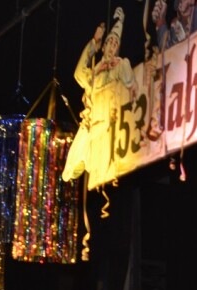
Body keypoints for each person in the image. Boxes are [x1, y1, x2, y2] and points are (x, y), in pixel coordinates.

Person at [62, 7, 136, 183]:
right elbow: (79, 74)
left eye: (115, 44)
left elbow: (129, 80)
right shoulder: (95, 73)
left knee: (101, 169)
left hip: (107, 125)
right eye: (109, 42)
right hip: (90, 124)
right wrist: (94, 42)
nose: (111, 46)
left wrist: (122, 62)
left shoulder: (119, 66)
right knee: (70, 166)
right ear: (103, 47)